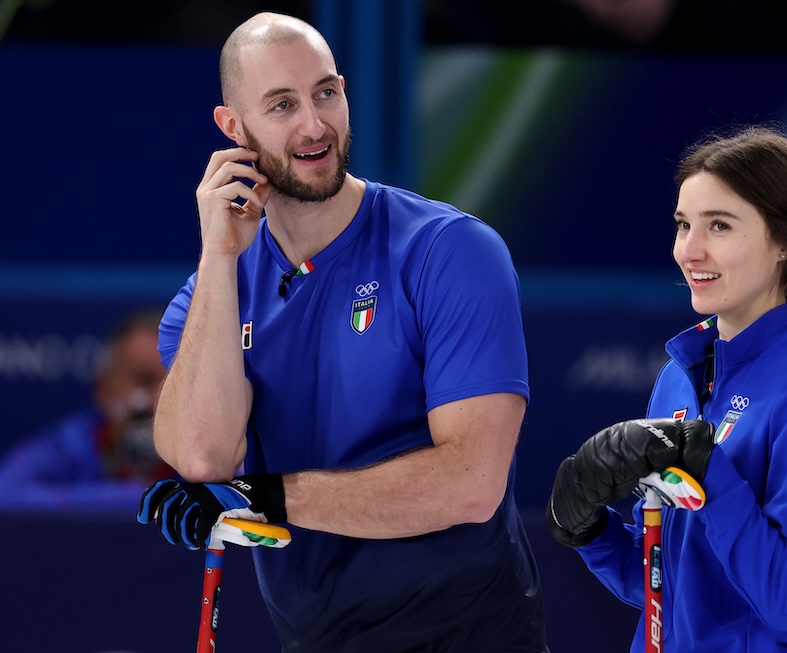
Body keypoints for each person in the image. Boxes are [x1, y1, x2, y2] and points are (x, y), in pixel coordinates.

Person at [135, 11, 547, 652]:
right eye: (282, 105)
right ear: (232, 128)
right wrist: (218, 257)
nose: (314, 125)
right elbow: (202, 457)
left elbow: (471, 484)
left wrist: (266, 498)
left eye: (326, 93)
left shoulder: (451, 251)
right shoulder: (211, 296)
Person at [545, 125, 787, 652]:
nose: (689, 250)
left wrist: (709, 473)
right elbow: (666, 586)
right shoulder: (678, 377)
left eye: (719, 225)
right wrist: (590, 532)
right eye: (683, 225)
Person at [0, 308, 171, 511]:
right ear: (105, 389)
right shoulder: (70, 447)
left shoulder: (202, 456)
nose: (157, 400)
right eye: (144, 380)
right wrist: (139, 497)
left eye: (172, 384)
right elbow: (7, 492)